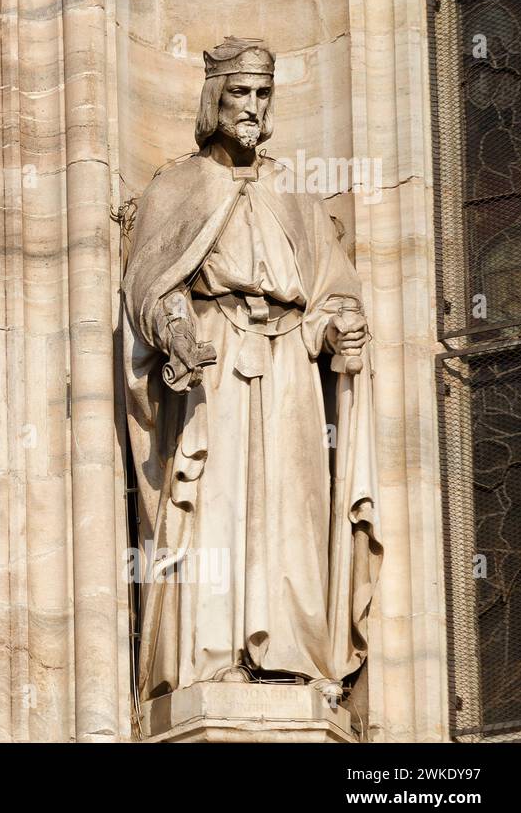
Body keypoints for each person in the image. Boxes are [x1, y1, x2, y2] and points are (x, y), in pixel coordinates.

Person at [121, 37, 382, 704]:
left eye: (263, 94)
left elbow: (328, 286)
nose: (253, 107)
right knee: (219, 503)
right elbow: (149, 286)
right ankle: (212, 658)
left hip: (291, 363)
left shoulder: (290, 187)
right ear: (215, 101)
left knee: (290, 506)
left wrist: (337, 324)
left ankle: (290, 651)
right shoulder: (177, 186)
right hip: (217, 357)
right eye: (240, 93)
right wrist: (173, 327)